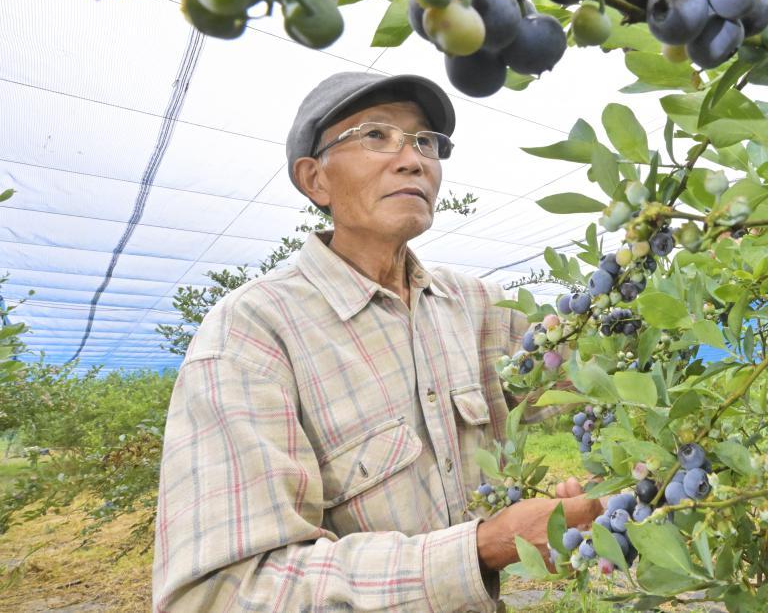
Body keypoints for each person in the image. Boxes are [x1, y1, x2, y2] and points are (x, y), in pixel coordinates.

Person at [152, 71, 602, 612]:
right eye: (375, 135)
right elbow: (220, 594)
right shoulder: (253, 334)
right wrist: (478, 550)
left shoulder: (476, 307)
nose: (412, 158)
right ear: (315, 180)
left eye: (424, 142)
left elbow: (606, 374)